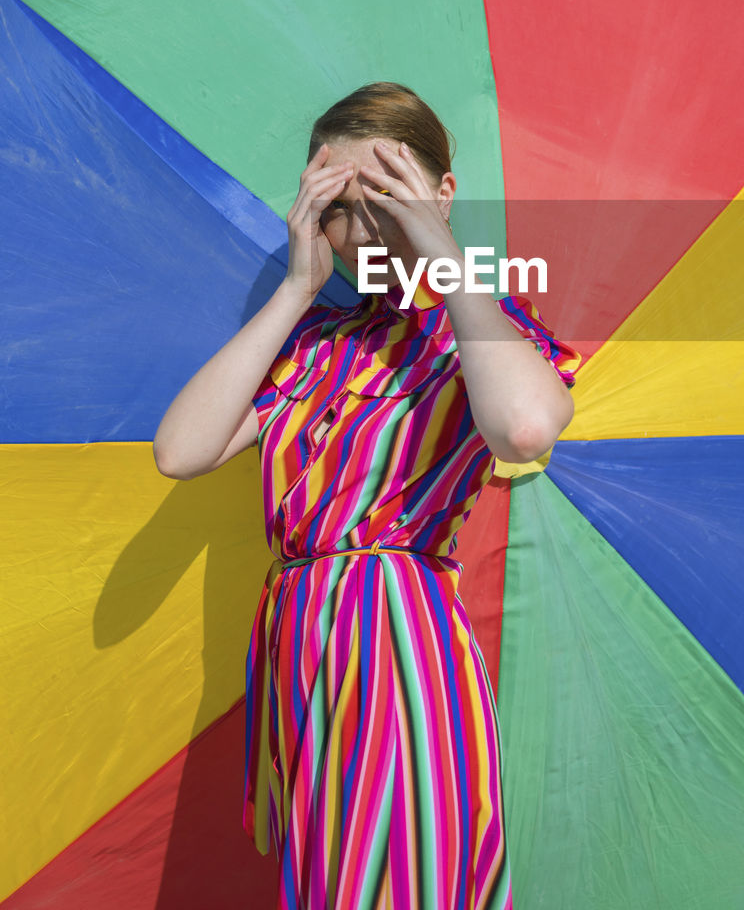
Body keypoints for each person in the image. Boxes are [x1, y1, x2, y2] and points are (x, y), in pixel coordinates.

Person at [154, 81, 582, 910]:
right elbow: (182, 450)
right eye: (338, 205)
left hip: (395, 636)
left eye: (383, 195)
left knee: (401, 872)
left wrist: (441, 251)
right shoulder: (314, 343)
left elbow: (525, 429)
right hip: (302, 648)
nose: (363, 228)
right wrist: (295, 289)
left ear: (441, 193)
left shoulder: (486, 326)